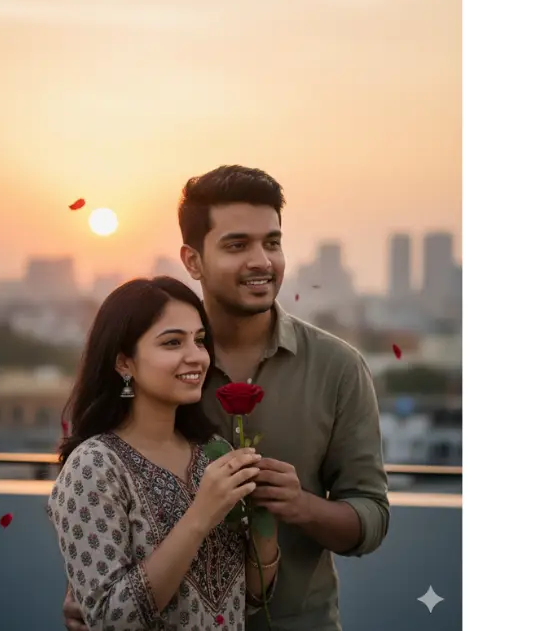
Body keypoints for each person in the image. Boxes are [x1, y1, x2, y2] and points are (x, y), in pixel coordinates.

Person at [64, 165, 390, 630]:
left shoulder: (338, 368)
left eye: (272, 243)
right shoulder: (164, 370)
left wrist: (300, 505)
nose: (261, 261)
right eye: (237, 245)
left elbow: (372, 518)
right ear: (193, 260)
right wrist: (95, 586)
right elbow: (105, 492)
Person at [49, 276, 280, 631]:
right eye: (172, 342)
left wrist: (266, 518)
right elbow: (110, 620)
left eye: (199, 340)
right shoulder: (94, 466)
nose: (196, 356)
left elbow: (248, 598)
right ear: (124, 363)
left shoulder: (213, 453)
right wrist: (200, 515)